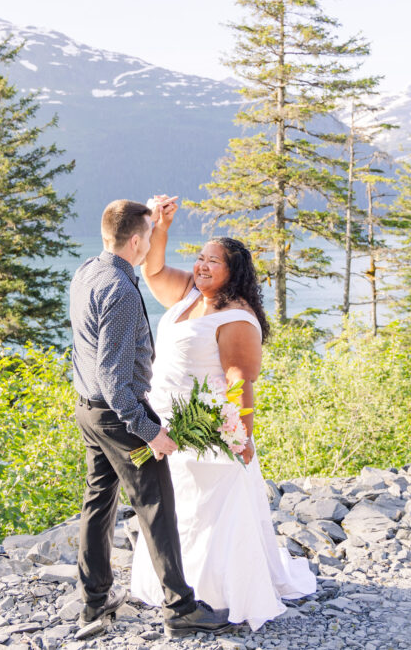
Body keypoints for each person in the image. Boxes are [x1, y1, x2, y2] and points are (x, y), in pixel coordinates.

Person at [129, 195, 317, 631]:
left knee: (210, 509)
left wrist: (242, 435)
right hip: (167, 423)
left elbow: (239, 380)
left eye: (213, 261)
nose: (202, 266)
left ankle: (218, 593)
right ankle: (176, 586)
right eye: (199, 258)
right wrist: (162, 226)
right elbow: (152, 270)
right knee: (175, 505)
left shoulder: (236, 317)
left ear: (234, 272)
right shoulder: (190, 295)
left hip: (209, 427)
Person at [69, 199, 233, 639]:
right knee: (157, 506)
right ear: (136, 241)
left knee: (98, 502)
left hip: (87, 409)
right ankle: (181, 608)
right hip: (120, 414)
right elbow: (114, 376)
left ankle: (94, 601)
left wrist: (152, 216)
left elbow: (89, 358)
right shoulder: (121, 292)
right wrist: (150, 432)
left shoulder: (88, 270)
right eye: (148, 236)